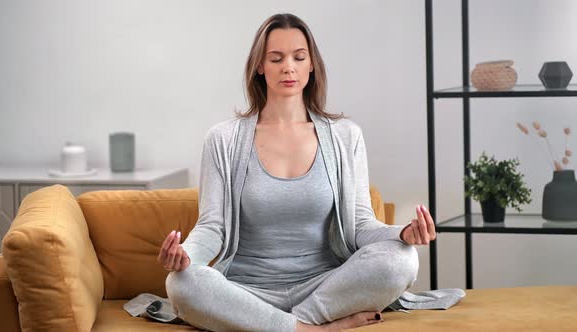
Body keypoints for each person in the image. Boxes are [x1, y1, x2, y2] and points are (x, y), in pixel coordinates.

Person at [158, 13, 436, 332]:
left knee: (402, 259)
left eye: (298, 57)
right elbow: (212, 227)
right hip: (246, 291)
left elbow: (360, 225)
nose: (288, 67)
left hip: (323, 288)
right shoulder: (223, 139)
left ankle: (282, 325)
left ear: (311, 65)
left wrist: (401, 233)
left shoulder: (346, 136)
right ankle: (310, 329)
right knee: (182, 282)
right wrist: (186, 255)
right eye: (276, 58)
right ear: (260, 66)